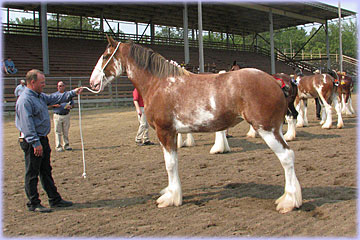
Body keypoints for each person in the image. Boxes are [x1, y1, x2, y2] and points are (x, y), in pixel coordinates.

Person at [15, 69, 83, 213]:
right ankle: (33, 203)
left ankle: (54, 199)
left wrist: (73, 92)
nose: (44, 85)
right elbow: (27, 124)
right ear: (32, 82)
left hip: (41, 139)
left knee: (46, 170)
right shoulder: (25, 100)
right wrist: (35, 143)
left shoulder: (39, 96)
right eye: (42, 82)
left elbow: (54, 98)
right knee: (32, 172)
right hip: (32, 141)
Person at [52, 81, 74, 152]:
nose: (60, 87)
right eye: (59, 86)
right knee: (58, 131)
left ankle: (66, 145)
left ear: (64, 86)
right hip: (57, 115)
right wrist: (55, 105)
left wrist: (70, 106)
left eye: (61, 86)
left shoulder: (68, 95)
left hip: (66, 115)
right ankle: (58, 146)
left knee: (65, 131)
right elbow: (49, 104)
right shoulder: (54, 95)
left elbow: (72, 104)